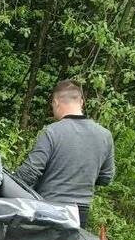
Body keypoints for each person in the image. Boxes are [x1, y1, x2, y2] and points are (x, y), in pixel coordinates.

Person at [15, 80, 115, 227]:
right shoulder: (105, 135)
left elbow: (29, 173)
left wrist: (8, 187)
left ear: (55, 102)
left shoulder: (51, 132)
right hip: (80, 215)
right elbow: (106, 178)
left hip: (49, 210)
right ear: (81, 102)